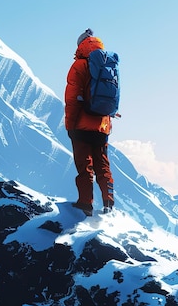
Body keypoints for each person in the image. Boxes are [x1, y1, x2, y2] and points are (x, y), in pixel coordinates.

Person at [64, 28, 115, 216]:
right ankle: (109, 201)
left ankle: (85, 204)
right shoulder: (106, 65)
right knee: (103, 164)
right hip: (102, 125)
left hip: (82, 125)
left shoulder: (80, 65)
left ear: (80, 46)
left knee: (85, 166)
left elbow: (72, 98)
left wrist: (70, 124)